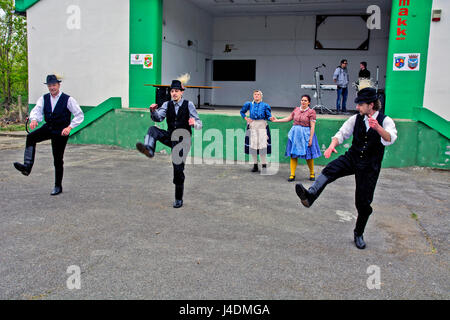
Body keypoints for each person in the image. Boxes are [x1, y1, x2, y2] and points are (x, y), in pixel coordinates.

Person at [294, 87, 397, 250]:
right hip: (353, 157)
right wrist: (332, 145)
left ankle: (358, 233)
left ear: (371, 105)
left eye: (360, 104)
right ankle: (310, 195)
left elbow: (390, 138)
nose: (357, 107)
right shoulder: (356, 119)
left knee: (362, 203)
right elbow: (341, 133)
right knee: (330, 170)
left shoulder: (385, 121)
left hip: (370, 165)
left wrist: (377, 128)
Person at [135, 76, 202, 208]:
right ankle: (149, 149)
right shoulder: (167, 104)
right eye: (172, 91)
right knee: (153, 129)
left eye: (177, 91)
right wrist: (153, 111)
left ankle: (178, 198)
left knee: (178, 169)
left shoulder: (189, 104)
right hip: (171, 136)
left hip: (183, 141)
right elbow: (158, 118)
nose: (174, 93)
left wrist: (195, 123)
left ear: (182, 92)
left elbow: (199, 123)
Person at [13, 75, 84, 195]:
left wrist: (69, 127)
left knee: (57, 159)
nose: (52, 87)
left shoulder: (68, 99)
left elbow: (79, 115)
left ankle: (58, 186)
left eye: (54, 85)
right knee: (31, 137)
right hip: (49, 127)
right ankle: (27, 167)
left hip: (61, 131)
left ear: (58, 85)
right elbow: (37, 110)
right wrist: (34, 119)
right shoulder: (44, 98)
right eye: (50, 85)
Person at [271, 95, 321, 181]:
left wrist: (310, 139)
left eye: (305, 100)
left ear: (309, 102)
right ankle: (292, 174)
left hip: (306, 135)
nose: (303, 102)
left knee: (308, 156)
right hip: (295, 135)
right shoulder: (296, 109)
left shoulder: (311, 112)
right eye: (302, 100)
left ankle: (312, 173)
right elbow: (288, 118)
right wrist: (276, 120)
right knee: (293, 155)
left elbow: (312, 126)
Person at [240, 90, 273, 173]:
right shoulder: (249, 104)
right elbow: (242, 112)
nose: (256, 96)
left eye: (258, 94)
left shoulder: (265, 105)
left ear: (261, 96)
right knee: (253, 146)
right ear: (253, 96)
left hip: (262, 125)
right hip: (253, 125)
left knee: (262, 146)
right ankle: (255, 165)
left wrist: (270, 118)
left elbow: (268, 116)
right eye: (255, 94)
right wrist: (246, 118)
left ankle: (264, 166)